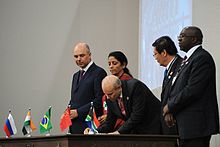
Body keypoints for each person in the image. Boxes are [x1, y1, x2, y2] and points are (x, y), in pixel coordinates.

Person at [163, 26, 219, 147]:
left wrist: (170, 106)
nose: (178, 39)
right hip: (185, 125)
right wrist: (170, 109)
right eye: (179, 36)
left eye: (182, 36)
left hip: (196, 125)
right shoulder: (187, 59)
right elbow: (175, 87)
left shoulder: (202, 58)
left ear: (194, 39)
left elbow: (193, 90)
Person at [96, 75, 161, 134]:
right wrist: (95, 132)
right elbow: (109, 122)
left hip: (153, 126)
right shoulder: (109, 97)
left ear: (119, 88)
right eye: (105, 94)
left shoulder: (135, 87)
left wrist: (118, 132)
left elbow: (137, 115)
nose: (107, 97)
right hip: (137, 130)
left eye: (110, 94)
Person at [68, 42, 107, 134]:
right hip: (74, 127)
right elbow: (74, 99)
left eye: (82, 55)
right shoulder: (75, 75)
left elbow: (99, 100)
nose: (79, 59)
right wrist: (68, 111)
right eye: (76, 56)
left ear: (90, 55)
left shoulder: (99, 72)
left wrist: (78, 112)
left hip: (89, 126)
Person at [152, 36, 182, 135]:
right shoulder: (170, 68)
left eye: (155, 54)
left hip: (178, 121)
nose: (155, 58)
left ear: (164, 53)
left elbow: (178, 92)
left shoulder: (181, 65)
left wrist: (169, 108)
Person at [98, 51, 133, 130]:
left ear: (123, 64)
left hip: (124, 125)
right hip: (111, 122)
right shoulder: (109, 82)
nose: (111, 66)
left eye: (114, 63)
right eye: (109, 64)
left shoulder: (127, 82)